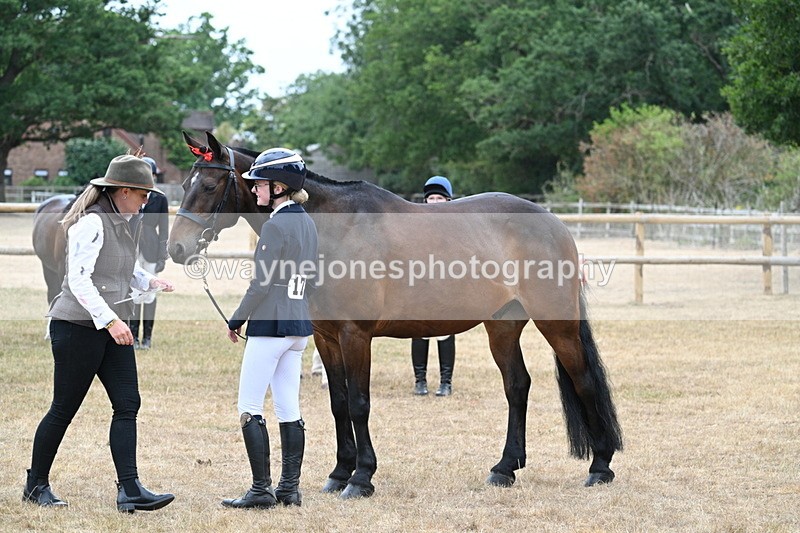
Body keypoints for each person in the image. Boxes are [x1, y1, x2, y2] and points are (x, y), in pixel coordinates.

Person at [25, 154, 176, 512]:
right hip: (77, 327)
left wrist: (148, 280)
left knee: (127, 403)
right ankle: (35, 485)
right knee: (63, 409)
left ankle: (130, 489)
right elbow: (78, 280)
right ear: (124, 191)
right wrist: (110, 320)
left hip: (112, 327)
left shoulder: (122, 220)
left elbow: (123, 267)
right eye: (143, 197)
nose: (145, 205)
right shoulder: (91, 224)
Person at [222, 148, 318, 509]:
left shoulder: (275, 225)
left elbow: (260, 284)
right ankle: (289, 488)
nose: (255, 191)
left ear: (279, 187)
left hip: (270, 326)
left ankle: (261, 489)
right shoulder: (307, 221)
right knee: (288, 405)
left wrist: (236, 318)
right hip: (298, 326)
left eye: (260, 185)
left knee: (249, 405)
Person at [411, 176, 457, 397]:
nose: (435, 202)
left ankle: (446, 381)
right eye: (432, 198)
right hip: (421, 285)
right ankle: (420, 380)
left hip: (446, 285)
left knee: (445, 333)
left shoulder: (456, 227)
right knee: (418, 332)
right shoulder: (416, 225)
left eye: (440, 198)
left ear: (448, 201)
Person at [128, 156, 169, 350]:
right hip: (133, 248)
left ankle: (147, 337)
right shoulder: (131, 195)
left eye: (151, 175)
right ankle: (134, 335)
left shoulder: (160, 198)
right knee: (136, 292)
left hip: (152, 248)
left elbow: (164, 228)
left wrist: (163, 255)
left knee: (151, 293)